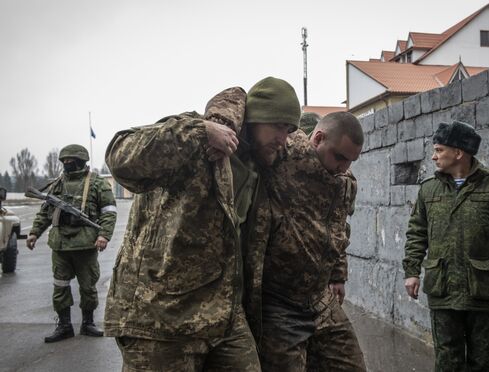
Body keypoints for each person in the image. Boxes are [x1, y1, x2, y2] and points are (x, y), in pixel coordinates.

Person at [103, 77, 301, 371]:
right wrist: (198, 133)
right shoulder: (196, 136)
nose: (284, 139)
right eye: (280, 127)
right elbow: (119, 155)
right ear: (256, 119)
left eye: (290, 130)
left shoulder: (260, 165)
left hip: (223, 316)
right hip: (161, 317)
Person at [402, 121, 489, 372]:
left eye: (439, 150)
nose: (433, 155)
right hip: (443, 288)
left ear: (458, 153)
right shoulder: (429, 189)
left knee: (482, 362)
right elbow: (417, 233)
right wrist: (411, 271)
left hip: (481, 290)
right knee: (447, 360)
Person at [257, 111, 367, 372]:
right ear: (318, 138)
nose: (344, 167)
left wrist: (338, 275)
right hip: (279, 302)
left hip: (319, 299)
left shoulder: (343, 182)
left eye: (351, 161)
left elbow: (339, 226)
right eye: (339, 157)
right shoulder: (282, 157)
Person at [26, 144, 117, 343]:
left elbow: (109, 212)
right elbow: (45, 212)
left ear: (81, 161)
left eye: (70, 160)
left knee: (88, 286)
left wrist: (104, 235)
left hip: (85, 244)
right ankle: (64, 326)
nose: (66, 163)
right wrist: (34, 232)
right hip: (60, 245)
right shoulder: (57, 184)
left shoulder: (97, 183)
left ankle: (88, 323)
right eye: (64, 161)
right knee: (60, 285)